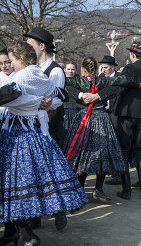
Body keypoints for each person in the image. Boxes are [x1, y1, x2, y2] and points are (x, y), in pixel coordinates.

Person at [0, 42, 88, 245]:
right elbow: (62, 94)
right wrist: (46, 100)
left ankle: (27, 235)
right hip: (30, 131)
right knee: (14, 185)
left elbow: (8, 95)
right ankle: (13, 232)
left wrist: (41, 102)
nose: (10, 64)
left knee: (15, 184)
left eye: (12, 60)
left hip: (20, 134)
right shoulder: (38, 74)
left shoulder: (25, 75)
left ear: (21, 59)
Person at [62, 57, 141, 202]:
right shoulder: (103, 80)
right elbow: (124, 82)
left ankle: (80, 190)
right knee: (101, 153)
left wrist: (80, 95)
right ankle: (98, 189)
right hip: (101, 119)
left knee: (82, 154)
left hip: (84, 121)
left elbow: (64, 83)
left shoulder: (79, 81)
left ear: (83, 69)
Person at [24, 27, 68, 230]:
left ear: (42, 46)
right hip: (34, 129)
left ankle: (59, 211)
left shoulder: (56, 70)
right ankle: (35, 217)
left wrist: (45, 103)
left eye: (31, 45)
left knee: (51, 172)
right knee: (35, 173)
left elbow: (57, 98)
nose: (28, 48)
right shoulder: (31, 69)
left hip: (51, 129)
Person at [108, 40, 141, 198]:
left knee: (124, 151)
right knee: (140, 150)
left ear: (132, 54)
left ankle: (126, 190)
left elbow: (121, 86)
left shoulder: (129, 68)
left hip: (128, 114)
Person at [63, 61, 80, 132]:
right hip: (63, 110)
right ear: (64, 69)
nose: (70, 71)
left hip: (76, 111)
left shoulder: (79, 82)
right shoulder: (61, 81)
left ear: (76, 70)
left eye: (73, 69)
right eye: (68, 69)